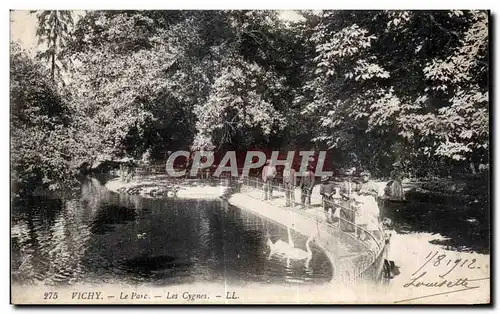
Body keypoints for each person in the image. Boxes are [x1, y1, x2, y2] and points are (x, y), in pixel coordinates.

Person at [339, 167, 357, 232]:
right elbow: (340, 192)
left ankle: (351, 228)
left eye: (351, 177)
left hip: (352, 200)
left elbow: (357, 191)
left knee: (351, 213)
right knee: (344, 211)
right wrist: (344, 195)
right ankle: (343, 228)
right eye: (348, 177)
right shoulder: (343, 183)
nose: (349, 178)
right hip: (345, 199)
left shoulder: (355, 184)